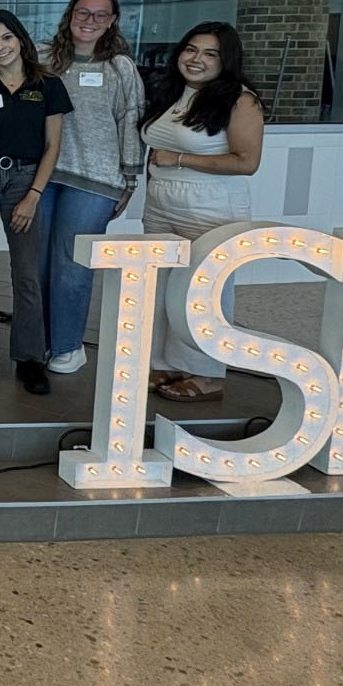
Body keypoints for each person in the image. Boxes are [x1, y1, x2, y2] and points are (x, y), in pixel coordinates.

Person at [141, 21, 265, 403]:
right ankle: (167, 361)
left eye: (210, 53)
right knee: (163, 286)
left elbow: (247, 161)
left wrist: (179, 159)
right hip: (163, 202)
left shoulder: (240, 100)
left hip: (210, 205)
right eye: (191, 49)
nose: (196, 59)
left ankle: (208, 374)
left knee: (203, 290)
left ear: (226, 60)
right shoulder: (174, 93)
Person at [0, 11, 71, 395]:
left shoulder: (48, 85)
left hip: (26, 179)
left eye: (6, 38)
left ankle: (28, 357)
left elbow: (53, 145)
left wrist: (34, 195)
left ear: (20, 39)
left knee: (25, 272)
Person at [39, 0, 146, 376]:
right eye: (84, 13)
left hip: (95, 180)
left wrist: (130, 179)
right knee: (38, 262)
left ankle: (68, 346)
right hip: (44, 176)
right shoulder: (44, 59)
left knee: (71, 265)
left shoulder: (120, 68)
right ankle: (42, 342)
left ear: (112, 20)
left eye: (101, 15)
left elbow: (130, 123)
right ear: (71, 14)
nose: (90, 21)